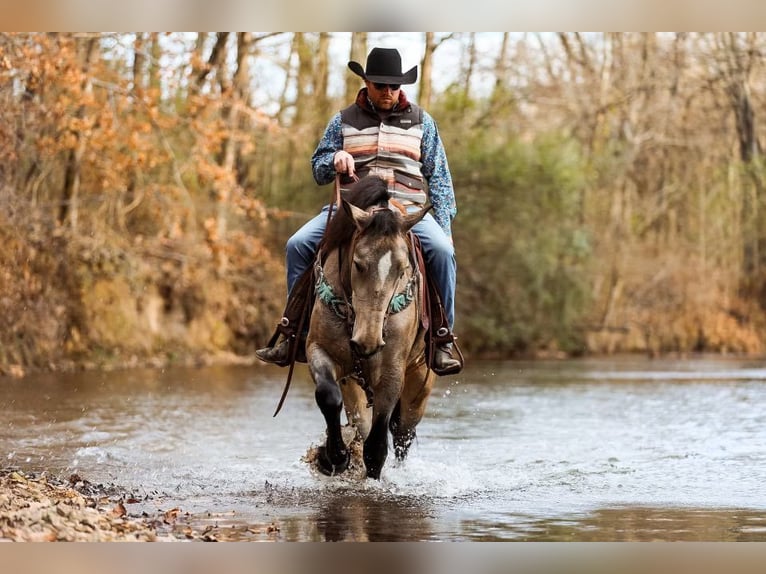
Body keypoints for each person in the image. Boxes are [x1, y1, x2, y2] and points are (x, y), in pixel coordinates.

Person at [256, 46, 461, 375]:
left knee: (442, 252)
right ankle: (294, 332)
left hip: (404, 215)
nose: (388, 92)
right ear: (366, 82)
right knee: (297, 244)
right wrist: (334, 159)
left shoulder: (424, 123)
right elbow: (318, 169)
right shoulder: (342, 121)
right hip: (352, 214)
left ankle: (442, 337)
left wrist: (444, 227)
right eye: (381, 86)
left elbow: (439, 178)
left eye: (394, 87)